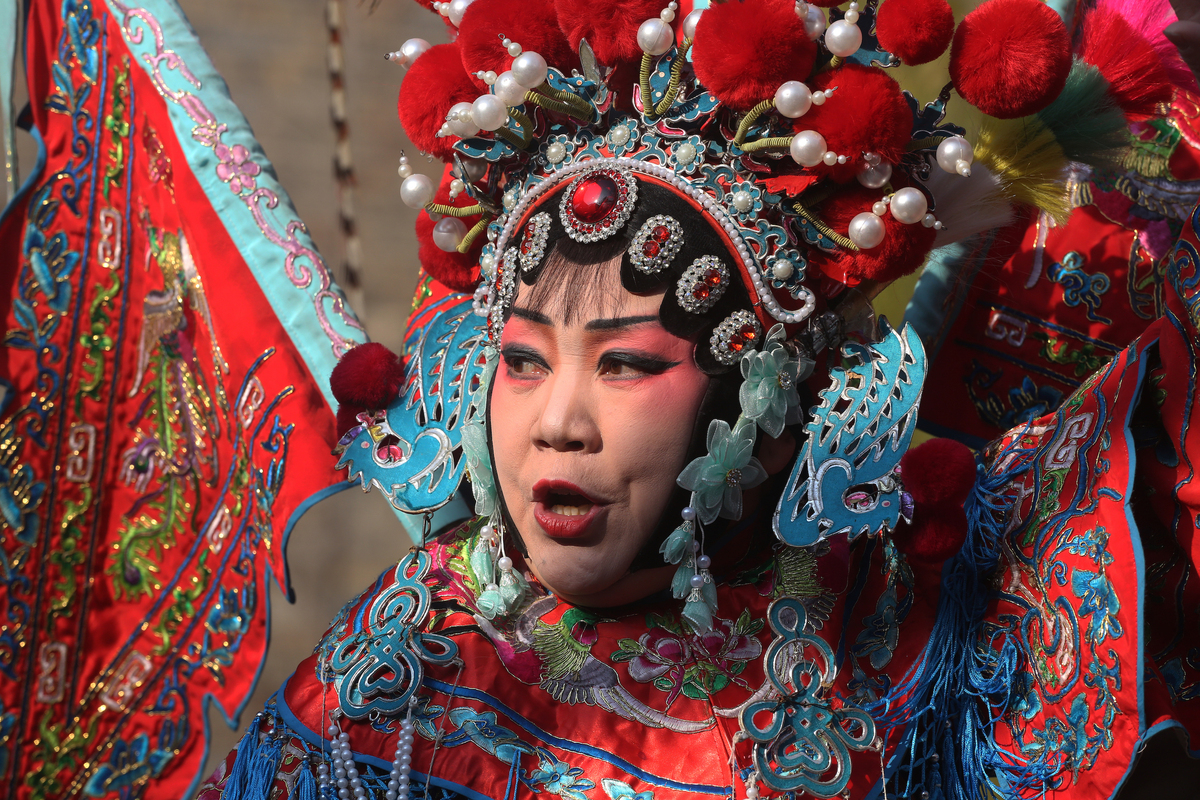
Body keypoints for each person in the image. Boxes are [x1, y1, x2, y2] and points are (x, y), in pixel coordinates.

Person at [199, 0, 1200, 798]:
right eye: (525, 361)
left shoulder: (927, 642)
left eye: (625, 365)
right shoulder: (392, 682)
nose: (557, 424)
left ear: (772, 410)